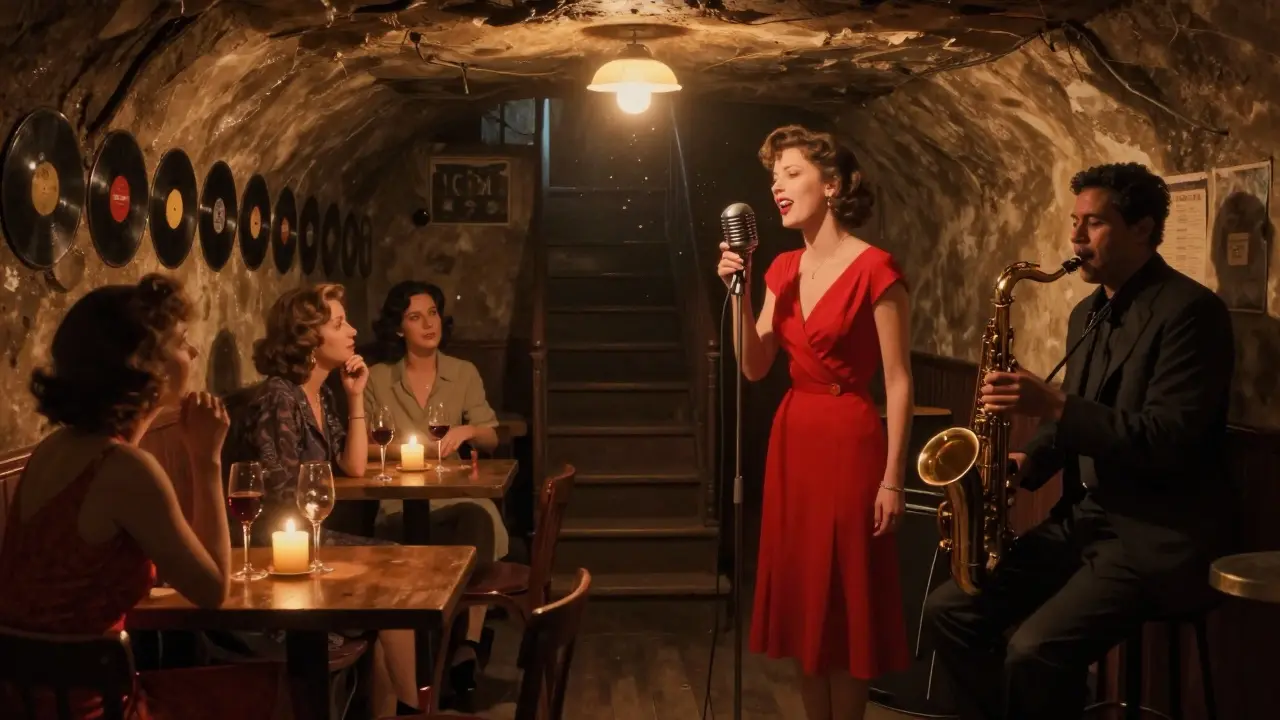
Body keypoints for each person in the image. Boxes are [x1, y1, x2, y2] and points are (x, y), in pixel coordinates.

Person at [923, 162, 1235, 720]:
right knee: (949, 610)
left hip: (1153, 535)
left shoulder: (1191, 312)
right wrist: (1024, 460)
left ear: (1142, 228)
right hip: (1084, 523)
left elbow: (1165, 439)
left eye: (1094, 223)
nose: (1076, 238)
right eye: (1074, 222)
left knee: (1034, 651)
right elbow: (1071, 418)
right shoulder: (1086, 313)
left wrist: (1053, 404)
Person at [0, 275, 286, 719]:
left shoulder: (53, 450)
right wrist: (206, 459)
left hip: (26, 703)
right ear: (144, 364)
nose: (193, 352)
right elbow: (212, 590)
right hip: (98, 709)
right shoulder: (123, 468)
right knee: (286, 687)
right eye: (182, 341)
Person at [716, 124, 913, 720]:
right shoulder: (780, 268)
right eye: (773, 176)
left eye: (791, 173)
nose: (777, 186)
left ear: (831, 185)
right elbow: (755, 366)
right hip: (794, 436)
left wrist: (893, 478)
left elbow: (899, 380)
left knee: (844, 606)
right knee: (806, 603)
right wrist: (738, 292)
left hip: (850, 437)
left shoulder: (876, 268)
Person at [222, 283, 422, 717]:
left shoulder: (319, 392)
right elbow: (281, 501)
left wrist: (355, 396)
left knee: (398, 570)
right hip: (273, 547)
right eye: (338, 324)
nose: (352, 330)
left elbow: (353, 465)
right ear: (309, 337)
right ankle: (413, 710)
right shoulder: (279, 398)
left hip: (304, 536)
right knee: (396, 573)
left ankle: (402, 709)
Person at [361, 280, 505, 700]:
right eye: (415, 317)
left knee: (481, 517)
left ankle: (466, 645)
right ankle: (436, 652)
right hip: (398, 500)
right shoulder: (378, 378)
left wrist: (467, 431)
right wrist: (415, 448)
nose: (428, 324)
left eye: (433, 313)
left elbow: (491, 436)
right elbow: (362, 445)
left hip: (455, 493)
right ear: (398, 328)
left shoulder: (463, 372)